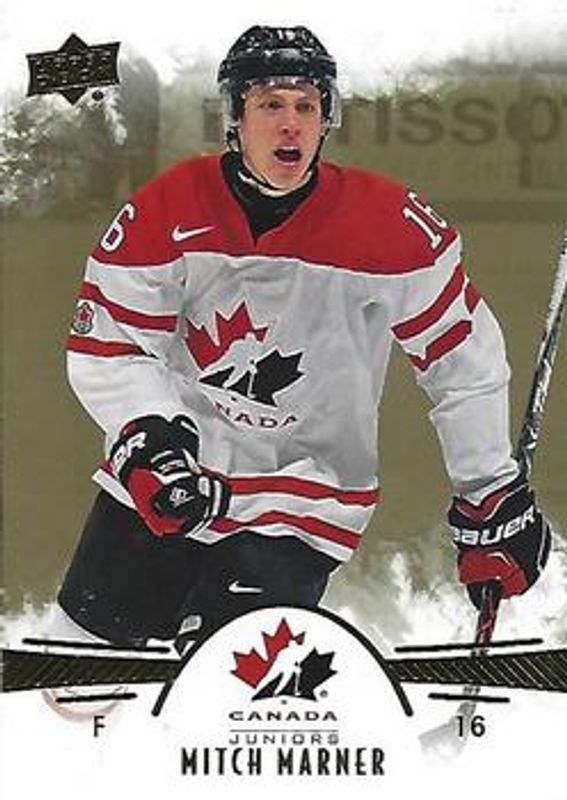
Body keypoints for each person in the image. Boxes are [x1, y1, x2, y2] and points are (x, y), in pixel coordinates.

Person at [55, 25, 551, 648]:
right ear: (235, 117)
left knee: (226, 671)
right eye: (270, 105)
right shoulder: (168, 208)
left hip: (302, 497)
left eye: (306, 106)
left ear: (325, 119)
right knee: (74, 669)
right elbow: (113, 343)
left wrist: (488, 489)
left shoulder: (388, 227)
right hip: (178, 479)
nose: (290, 124)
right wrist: (152, 440)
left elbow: (461, 358)